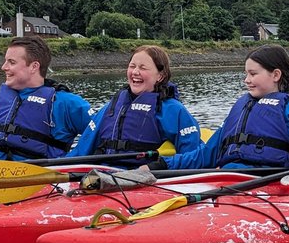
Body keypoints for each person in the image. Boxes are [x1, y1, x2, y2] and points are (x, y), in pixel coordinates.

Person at [145, 44, 289, 172]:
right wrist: (162, 165)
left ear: (275, 75)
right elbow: (205, 154)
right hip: (230, 182)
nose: (246, 80)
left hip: (271, 182)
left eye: (253, 74)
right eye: (245, 74)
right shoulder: (241, 109)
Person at [69, 44, 203, 159]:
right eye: (132, 66)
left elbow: (192, 155)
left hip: (146, 176)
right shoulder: (112, 106)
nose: (135, 72)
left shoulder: (173, 110)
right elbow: (81, 150)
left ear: (160, 76)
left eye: (143, 68)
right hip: (106, 172)